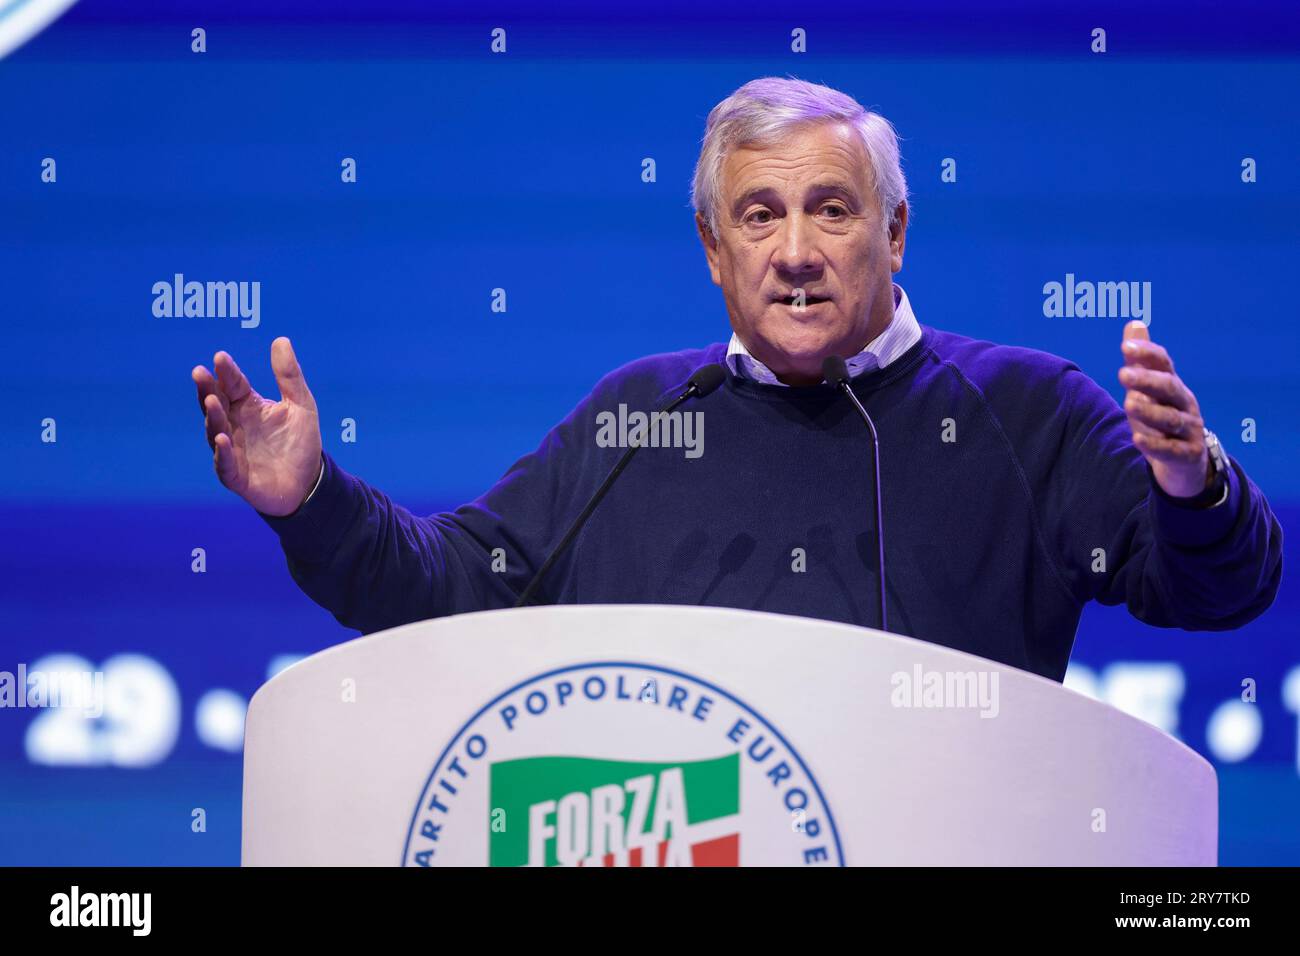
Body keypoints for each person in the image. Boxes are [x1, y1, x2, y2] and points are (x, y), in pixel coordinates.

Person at [190, 77, 1282, 682]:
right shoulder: (640, 419)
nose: (794, 250)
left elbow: (1217, 592)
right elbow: (449, 589)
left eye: (832, 209)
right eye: (758, 216)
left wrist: (1194, 486)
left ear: (895, 231)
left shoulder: (1025, 408)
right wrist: (312, 501)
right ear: (714, 249)